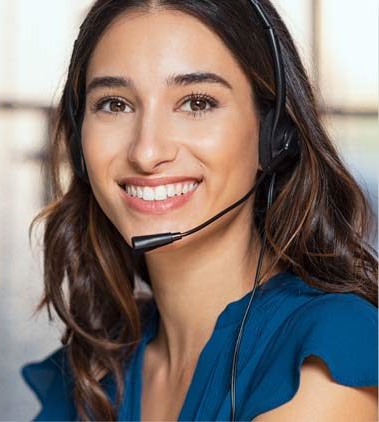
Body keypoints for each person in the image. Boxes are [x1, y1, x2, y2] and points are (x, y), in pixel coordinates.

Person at [20, 0, 378, 420]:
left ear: (274, 136)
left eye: (196, 103)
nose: (147, 151)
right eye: (115, 104)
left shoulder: (325, 358)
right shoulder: (97, 367)